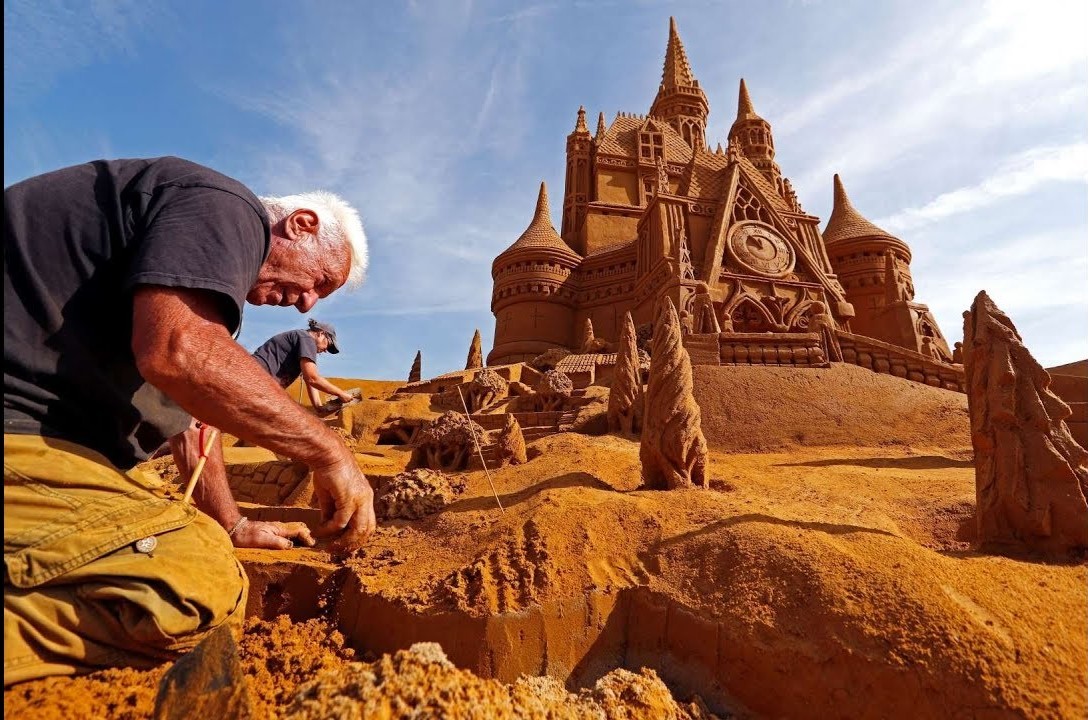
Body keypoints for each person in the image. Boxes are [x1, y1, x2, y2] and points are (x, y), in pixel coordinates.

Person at [3, 156, 377, 686]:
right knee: (199, 581)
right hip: (20, 428)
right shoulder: (228, 208)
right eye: (319, 280)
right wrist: (329, 452)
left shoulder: (183, 276)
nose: (307, 305)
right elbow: (180, 353)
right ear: (301, 224)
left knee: (208, 541)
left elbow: (193, 423)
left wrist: (234, 524)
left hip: (51, 436)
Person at [253, 318, 355, 410]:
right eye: (329, 345)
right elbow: (312, 378)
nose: (326, 351)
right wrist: (341, 394)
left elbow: (309, 379)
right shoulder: (307, 339)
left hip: (259, 383)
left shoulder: (303, 341)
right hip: (256, 379)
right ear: (321, 333)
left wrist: (318, 406)